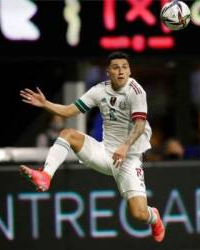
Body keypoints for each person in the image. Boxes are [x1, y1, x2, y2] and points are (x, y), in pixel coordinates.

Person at [19, 51, 165, 242]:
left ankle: (154, 216)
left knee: (138, 214)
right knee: (67, 134)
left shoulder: (136, 92)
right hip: (105, 153)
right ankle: (45, 175)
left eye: (125, 67)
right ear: (108, 72)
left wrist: (125, 146)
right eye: (116, 67)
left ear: (129, 71)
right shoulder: (99, 90)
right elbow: (70, 110)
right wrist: (45, 104)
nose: (121, 71)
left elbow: (139, 126)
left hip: (128, 159)